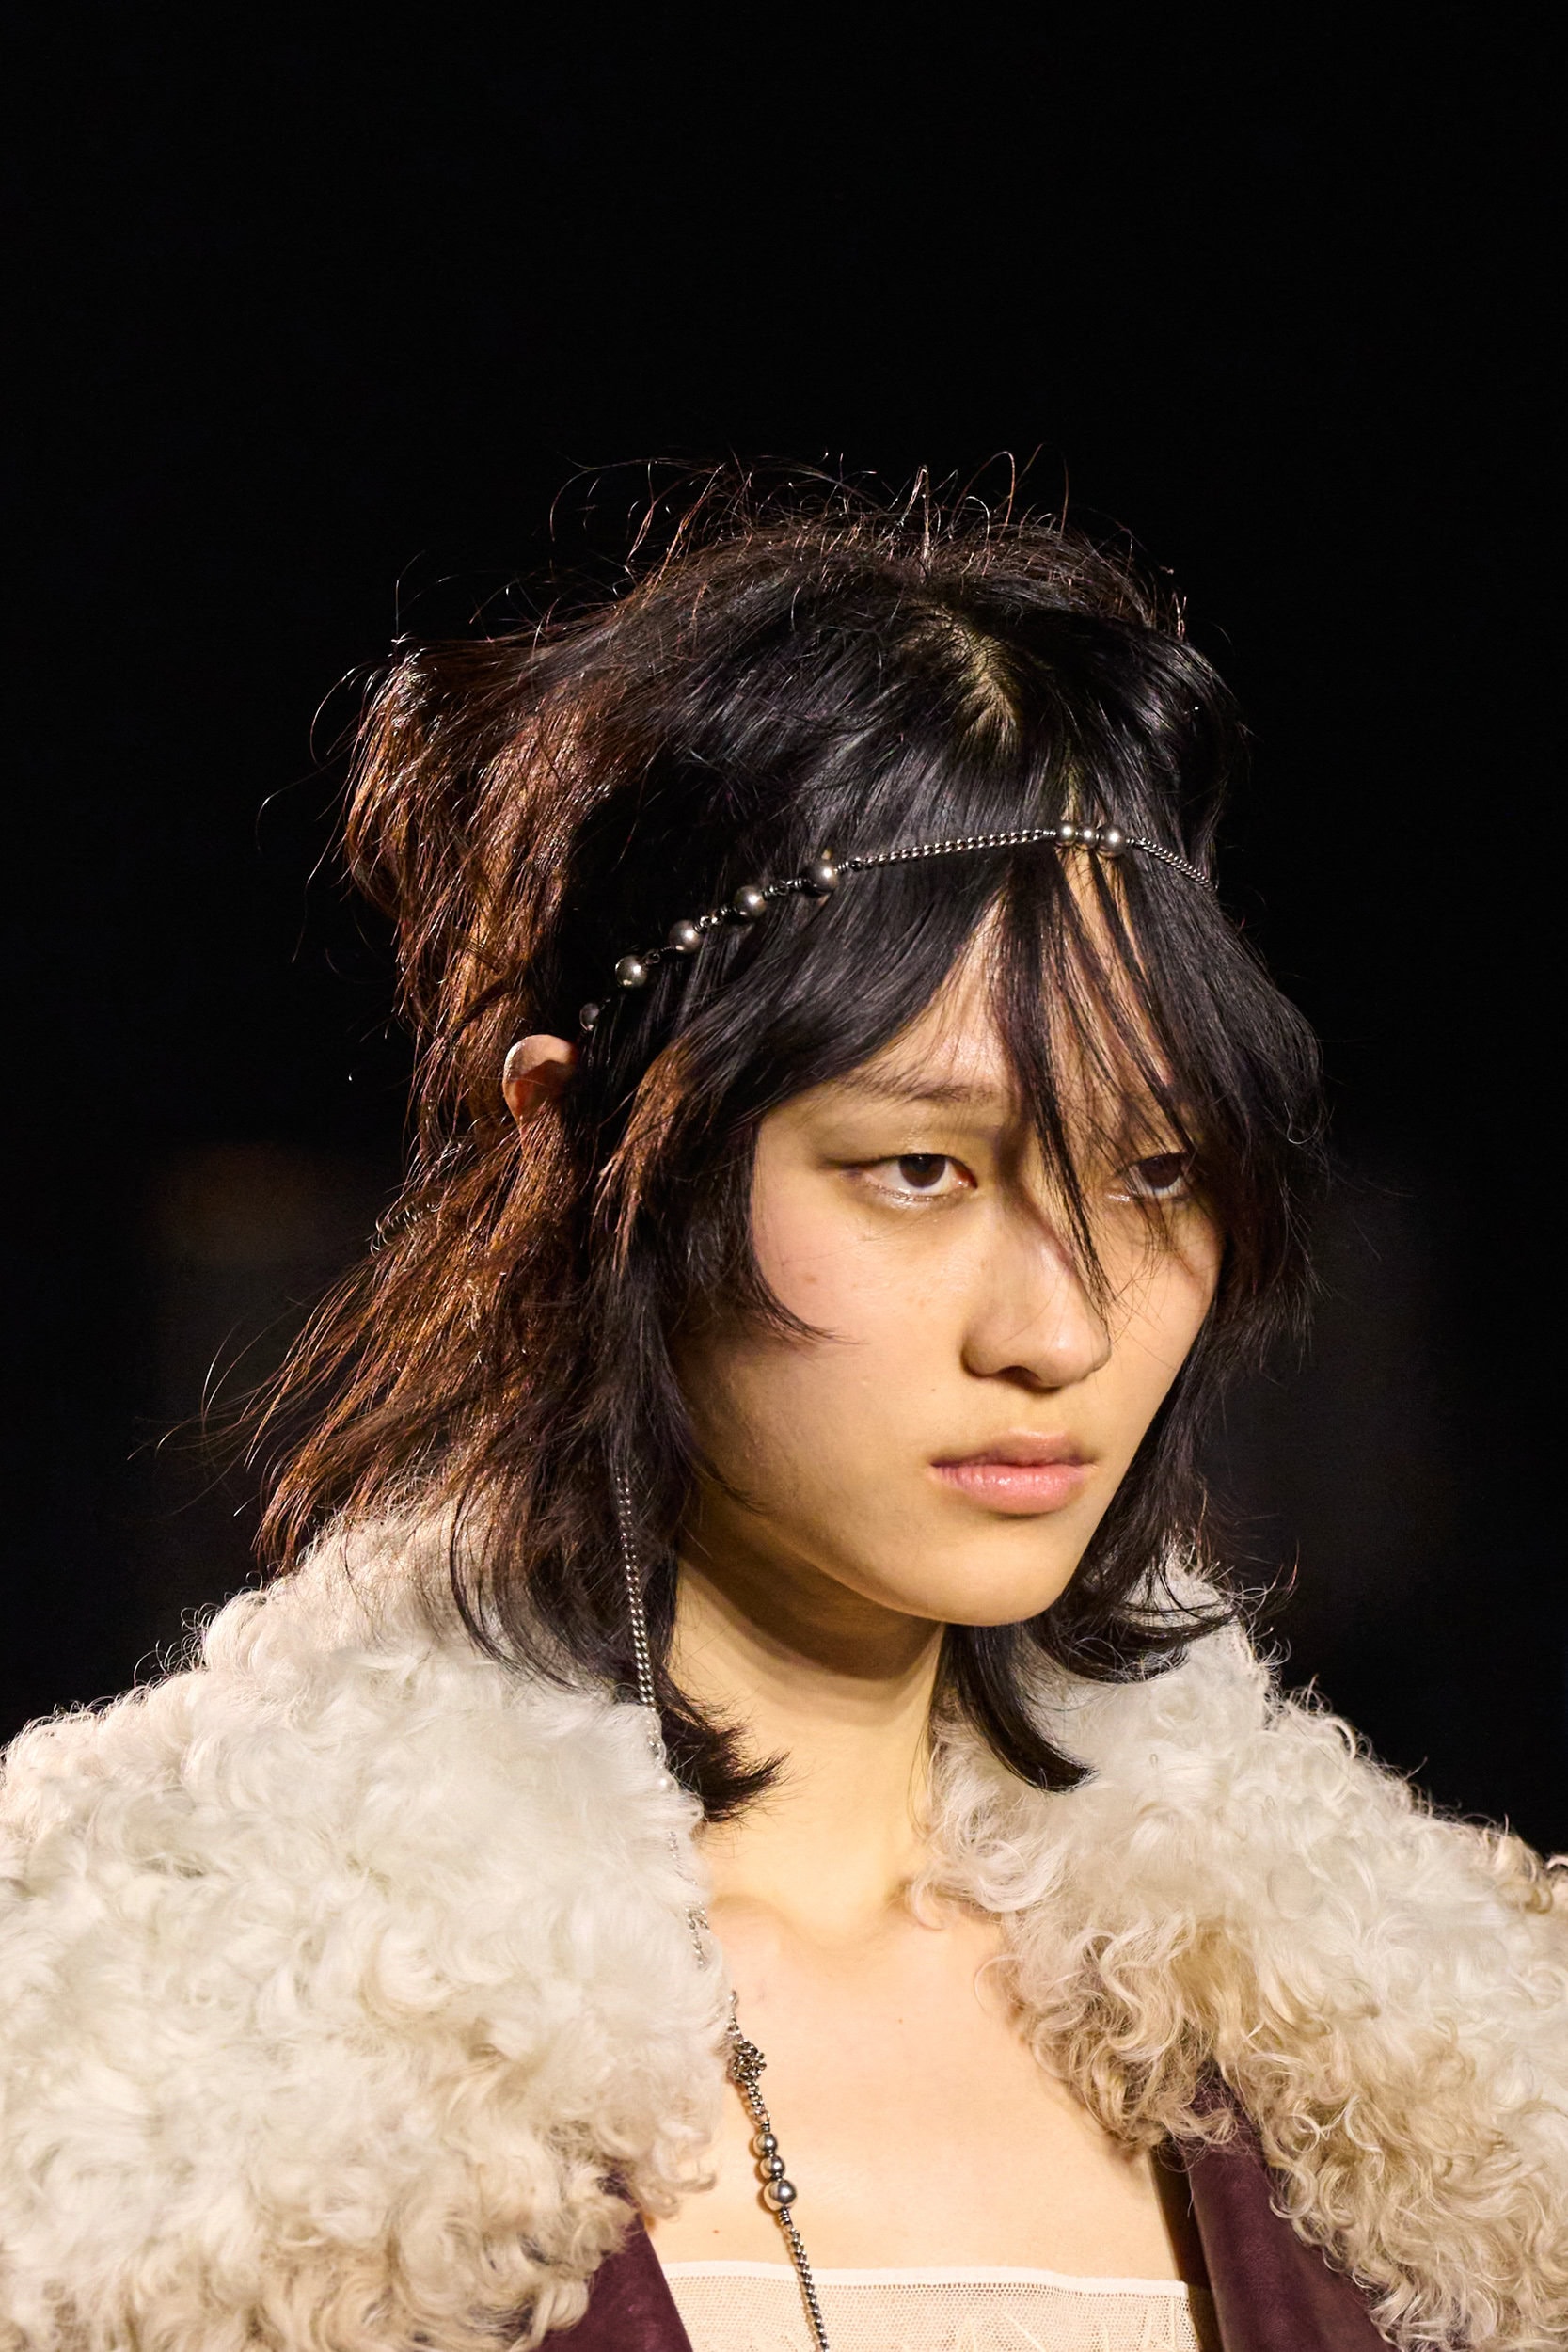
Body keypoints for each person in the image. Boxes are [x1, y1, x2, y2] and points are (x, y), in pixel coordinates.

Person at [1, 489, 1562, 2352]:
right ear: (582, 1155)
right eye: (918, 1168)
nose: (1058, 1328)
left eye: (1157, 1172)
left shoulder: (1454, 2062)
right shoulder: (134, 2046)